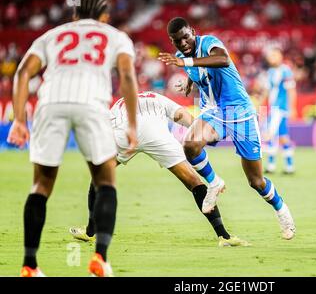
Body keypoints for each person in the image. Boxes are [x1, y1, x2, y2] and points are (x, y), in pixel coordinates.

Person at [7, 0, 138, 277]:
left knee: (41, 185)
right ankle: (100, 258)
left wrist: (19, 120)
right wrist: (132, 124)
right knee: (105, 182)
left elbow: (22, 73)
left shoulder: (53, 34)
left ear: (75, 17)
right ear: (104, 17)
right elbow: (127, 76)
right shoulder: (116, 36)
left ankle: (30, 265)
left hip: (50, 103)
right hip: (91, 104)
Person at [158, 17, 295, 240]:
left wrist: (186, 65)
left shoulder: (209, 43)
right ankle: (214, 183)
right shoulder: (184, 57)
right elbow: (199, 73)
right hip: (214, 112)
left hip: (240, 113)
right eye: (176, 41)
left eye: (185, 37)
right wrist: (189, 83)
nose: (182, 43)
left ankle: (282, 211)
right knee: (190, 145)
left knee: (256, 181)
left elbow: (221, 60)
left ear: (193, 32)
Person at [69, 91, 249, 247]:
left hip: (125, 131)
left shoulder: (119, 103)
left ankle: (91, 231)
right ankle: (223, 235)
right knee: (194, 182)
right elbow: (182, 116)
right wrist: (205, 137)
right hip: (156, 134)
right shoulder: (158, 98)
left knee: (99, 178)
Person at [260, 47, 297, 174]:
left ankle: (270, 165)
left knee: (270, 135)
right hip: (273, 109)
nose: (271, 58)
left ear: (280, 56)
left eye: (274, 55)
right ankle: (289, 166)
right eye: (270, 56)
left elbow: (291, 90)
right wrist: (259, 104)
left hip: (279, 109)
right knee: (283, 137)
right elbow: (266, 91)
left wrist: (292, 108)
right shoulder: (270, 71)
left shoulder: (285, 71)